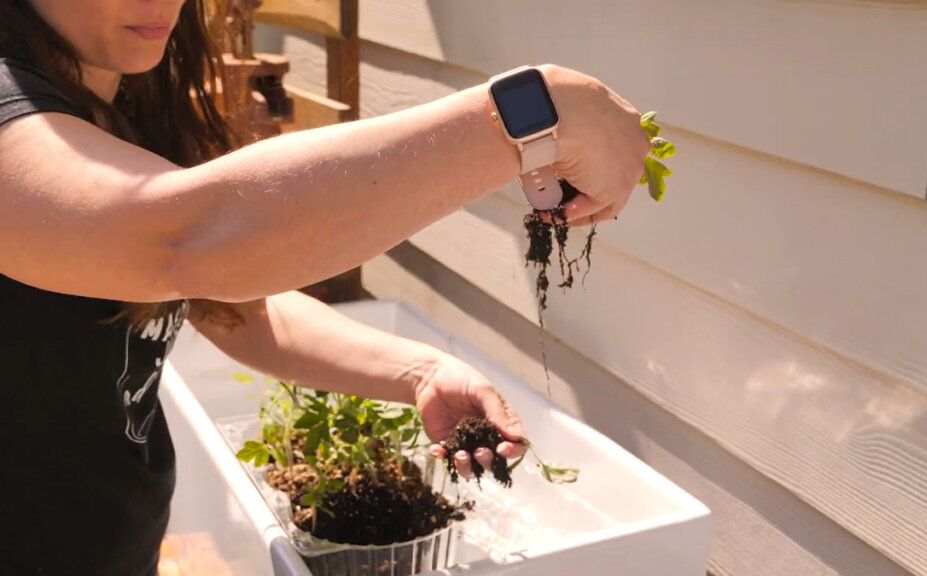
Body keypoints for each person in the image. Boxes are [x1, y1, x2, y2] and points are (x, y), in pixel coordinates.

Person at [0, 0, 650, 574]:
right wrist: (532, 114)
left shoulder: (110, 108)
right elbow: (181, 241)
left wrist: (419, 370)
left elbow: (236, 309)